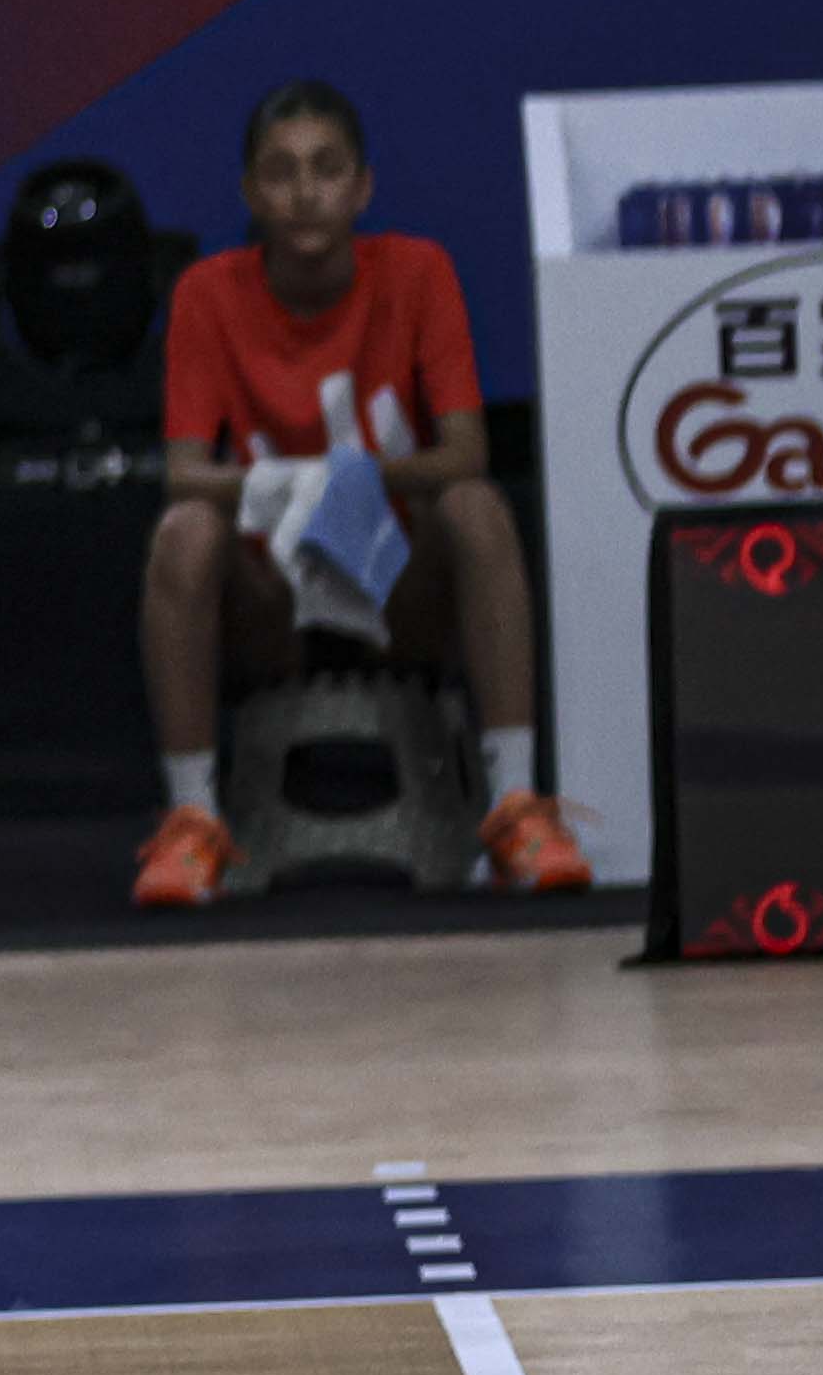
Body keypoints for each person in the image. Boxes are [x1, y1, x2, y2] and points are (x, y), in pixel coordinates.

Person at [139, 79, 585, 904]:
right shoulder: (205, 292)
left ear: (362, 187)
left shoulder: (418, 272)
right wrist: (299, 489)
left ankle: (515, 808)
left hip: (396, 591)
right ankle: (192, 820)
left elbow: (467, 452)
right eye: (280, 172)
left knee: (477, 507)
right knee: (183, 531)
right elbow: (181, 472)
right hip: (270, 602)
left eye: (326, 168)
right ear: (249, 194)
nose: (305, 192)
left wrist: (352, 483)